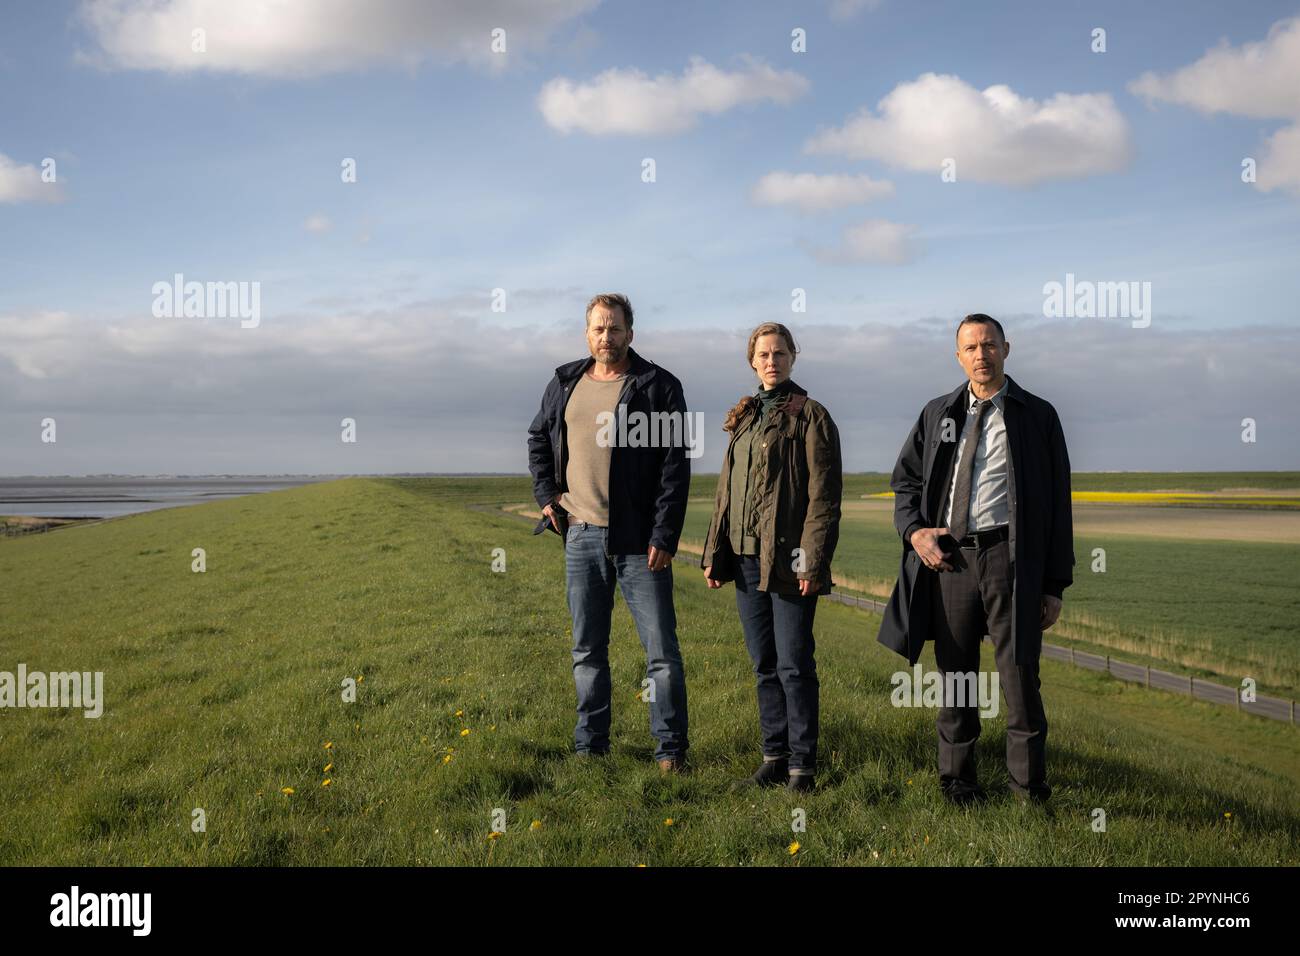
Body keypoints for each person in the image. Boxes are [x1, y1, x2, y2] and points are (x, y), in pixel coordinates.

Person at [878, 313, 1074, 806]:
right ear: (958, 355)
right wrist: (915, 531)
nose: (981, 355)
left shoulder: (1037, 415)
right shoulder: (938, 413)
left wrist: (1054, 583)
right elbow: (904, 483)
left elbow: (1059, 503)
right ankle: (958, 785)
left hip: (1012, 561)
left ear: (1006, 348)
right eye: (970, 347)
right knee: (957, 679)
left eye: (989, 345)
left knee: (1019, 677)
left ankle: (1028, 793)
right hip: (951, 563)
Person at [526, 293, 692, 772]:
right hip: (579, 534)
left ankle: (670, 752)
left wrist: (664, 535)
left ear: (630, 333)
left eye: (615, 328)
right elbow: (538, 437)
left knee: (661, 652)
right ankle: (590, 748)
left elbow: (674, 468)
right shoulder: (564, 383)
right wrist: (545, 496)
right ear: (587, 333)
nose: (606, 336)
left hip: (640, 541)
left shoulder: (658, 386)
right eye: (598, 328)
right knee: (587, 650)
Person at [700, 322, 842, 793]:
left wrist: (812, 562)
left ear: (793, 357)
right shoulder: (744, 417)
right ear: (752, 360)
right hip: (742, 558)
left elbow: (823, 499)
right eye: (763, 354)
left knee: (794, 664)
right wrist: (713, 553)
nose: (771, 361)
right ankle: (774, 758)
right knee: (763, 663)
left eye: (779, 353)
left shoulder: (811, 416)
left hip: (788, 561)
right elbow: (726, 492)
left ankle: (802, 768)